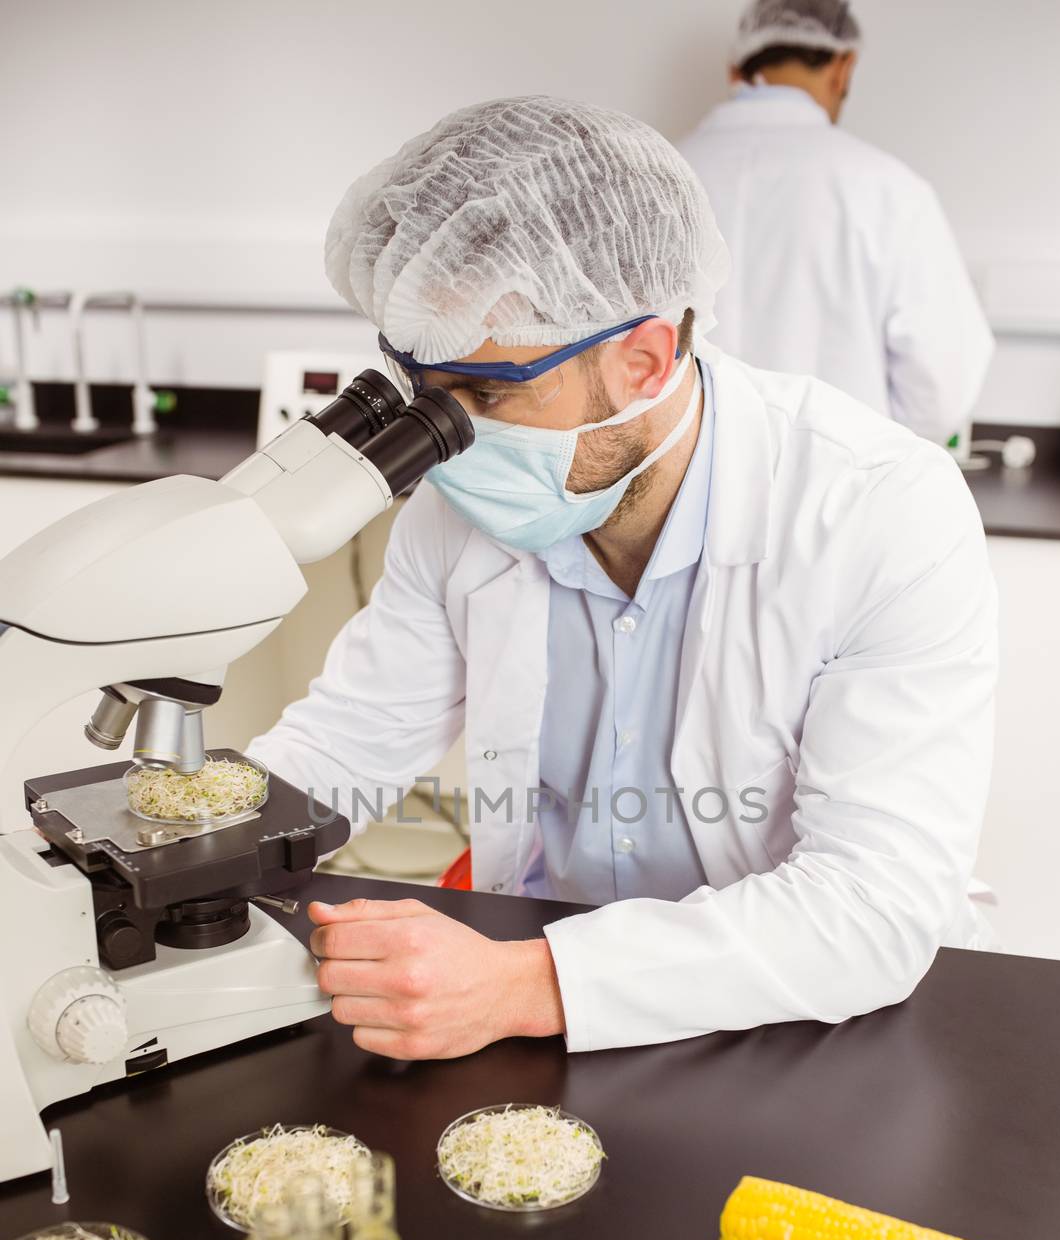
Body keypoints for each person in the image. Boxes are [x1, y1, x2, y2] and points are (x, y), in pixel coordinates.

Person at [247, 96, 996, 1061]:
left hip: (803, 1017)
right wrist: (181, 836)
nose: (451, 438)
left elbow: (870, 905)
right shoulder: (459, 509)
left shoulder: (881, 510)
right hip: (536, 989)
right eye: (426, 390)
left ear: (643, 359)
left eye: (489, 392)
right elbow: (345, 745)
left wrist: (530, 983)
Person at [676, 0, 994, 442]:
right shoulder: (889, 189)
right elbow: (941, 394)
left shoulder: (661, 176)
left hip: (685, 488)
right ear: (844, 68)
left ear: (736, 70)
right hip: (841, 491)